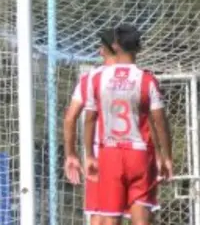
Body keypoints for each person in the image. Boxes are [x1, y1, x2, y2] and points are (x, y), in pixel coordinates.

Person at [83, 24, 173, 225]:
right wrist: (166, 156)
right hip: (139, 154)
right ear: (139, 48)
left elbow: (89, 118)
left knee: (110, 217)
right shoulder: (147, 79)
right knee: (141, 217)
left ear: (114, 46)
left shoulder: (97, 78)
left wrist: (89, 154)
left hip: (110, 152)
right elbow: (159, 121)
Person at [64, 28, 116, 225]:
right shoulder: (140, 77)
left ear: (103, 50)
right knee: (138, 213)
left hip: (98, 154)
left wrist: (71, 154)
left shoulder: (90, 79)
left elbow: (70, 118)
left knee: (100, 214)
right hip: (132, 153)